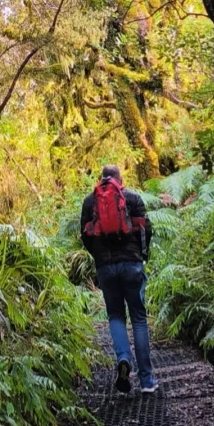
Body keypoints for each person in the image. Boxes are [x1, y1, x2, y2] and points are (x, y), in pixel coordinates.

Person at [80, 164, 158, 394]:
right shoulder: (132, 198)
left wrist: (99, 259)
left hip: (106, 268)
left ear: (101, 178)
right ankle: (146, 380)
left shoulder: (89, 201)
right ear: (119, 178)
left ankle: (124, 358)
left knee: (115, 316)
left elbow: (85, 236)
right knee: (139, 319)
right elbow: (145, 231)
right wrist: (142, 256)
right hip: (132, 264)